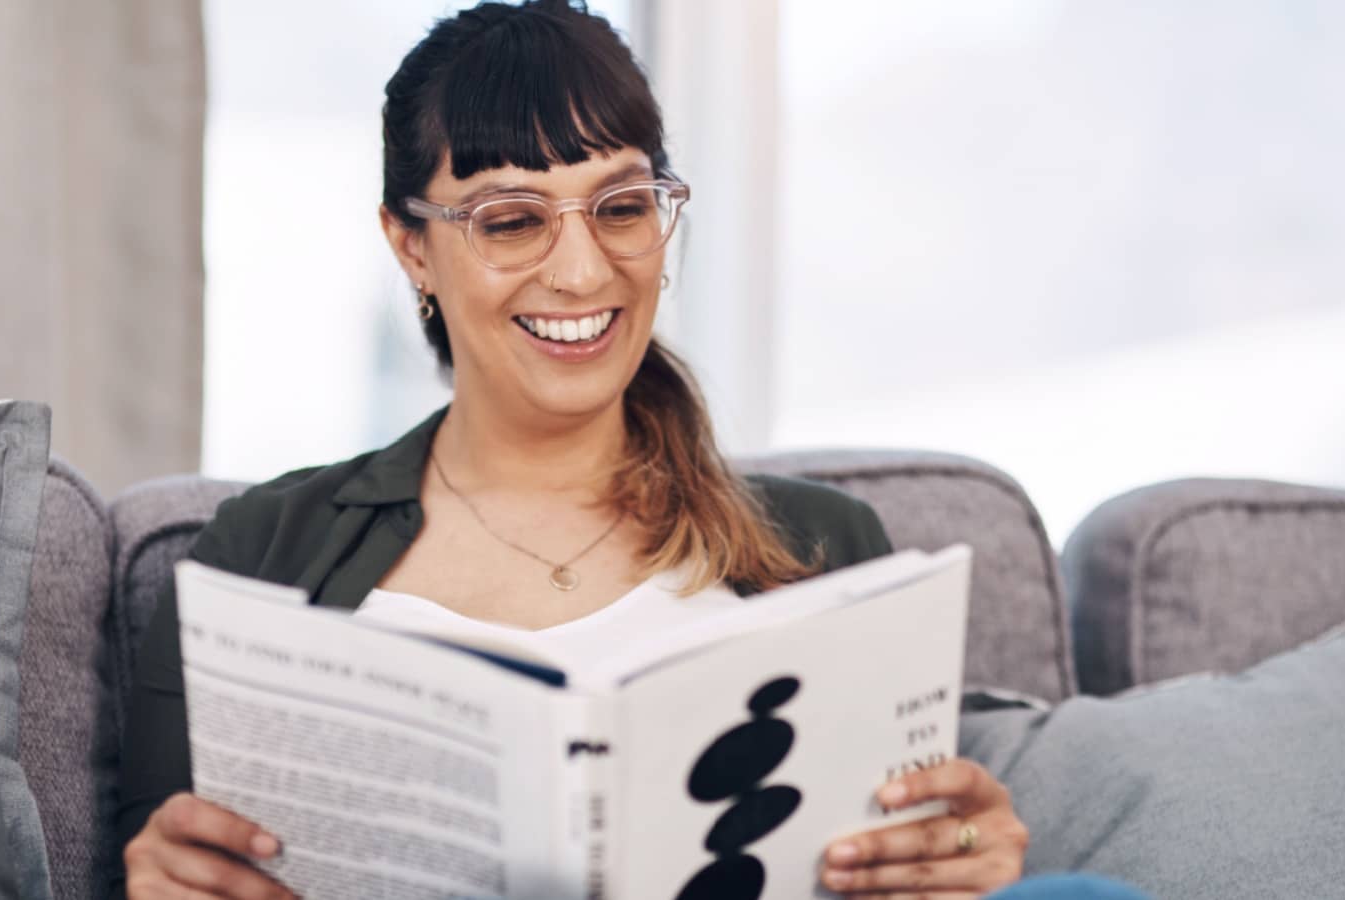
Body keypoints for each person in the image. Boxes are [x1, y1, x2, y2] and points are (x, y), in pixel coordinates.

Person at [115, 2, 1034, 897]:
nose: (584, 270)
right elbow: (167, 867)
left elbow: (914, 848)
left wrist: (958, 855)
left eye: (621, 208)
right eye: (511, 222)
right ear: (411, 248)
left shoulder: (826, 548)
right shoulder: (258, 557)